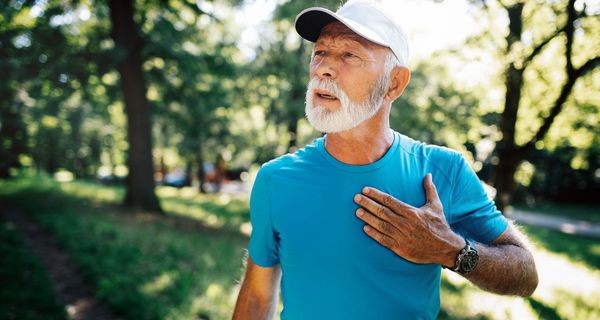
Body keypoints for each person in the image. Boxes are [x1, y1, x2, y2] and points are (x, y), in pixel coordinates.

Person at [233, 1, 538, 319]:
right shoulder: (275, 179)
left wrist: (452, 250)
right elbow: (257, 296)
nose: (324, 68)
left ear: (394, 83)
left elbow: (526, 275)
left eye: (349, 55)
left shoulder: (442, 171)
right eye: (320, 52)